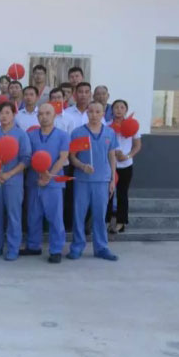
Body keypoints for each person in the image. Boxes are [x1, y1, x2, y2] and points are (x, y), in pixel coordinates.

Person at [68, 101, 118, 261]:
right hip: (82, 180)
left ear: (103, 114)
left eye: (98, 112)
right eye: (91, 111)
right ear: (87, 113)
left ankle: (101, 247)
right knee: (79, 215)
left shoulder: (110, 133)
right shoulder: (78, 133)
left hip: (102, 180)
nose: (94, 115)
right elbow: (72, 157)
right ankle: (77, 246)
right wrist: (82, 166)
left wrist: (112, 179)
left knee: (99, 216)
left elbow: (112, 156)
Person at [24, 103, 71, 262]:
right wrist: (40, 174)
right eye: (41, 114)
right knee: (33, 215)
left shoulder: (63, 135)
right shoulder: (30, 135)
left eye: (47, 113)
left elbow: (63, 157)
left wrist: (48, 176)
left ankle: (56, 250)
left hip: (53, 182)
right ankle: (33, 246)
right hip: (34, 181)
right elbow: (29, 157)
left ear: (54, 115)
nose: (44, 117)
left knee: (55, 217)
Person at [0, 100, 32, 260]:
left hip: (14, 181)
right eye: (1, 113)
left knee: (14, 215)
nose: (4, 116)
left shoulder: (21, 134)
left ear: (13, 115)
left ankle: (13, 248)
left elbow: (26, 159)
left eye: (7, 113)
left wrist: (9, 174)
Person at [106, 98, 142, 234]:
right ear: (112, 110)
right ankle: (107, 221)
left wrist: (127, 156)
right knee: (108, 194)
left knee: (122, 194)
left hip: (126, 165)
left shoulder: (132, 125)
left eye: (122, 107)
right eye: (116, 107)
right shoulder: (107, 126)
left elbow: (137, 145)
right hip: (109, 164)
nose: (119, 110)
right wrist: (113, 152)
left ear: (126, 110)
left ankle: (121, 222)